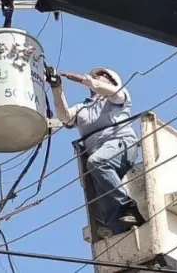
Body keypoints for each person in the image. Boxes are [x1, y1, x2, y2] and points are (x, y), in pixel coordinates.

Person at [48, 67, 143, 238]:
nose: (97, 77)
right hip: (98, 153)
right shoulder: (83, 107)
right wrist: (57, 88)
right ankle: (122, 231)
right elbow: (65, 117)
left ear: (113, 81)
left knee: (96, 162)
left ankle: (128, 207)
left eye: (102, 75)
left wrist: (82, 79)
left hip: (120, 144)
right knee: (105, 204)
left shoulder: (118, 96)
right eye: (95, 76)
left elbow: (108, 90)